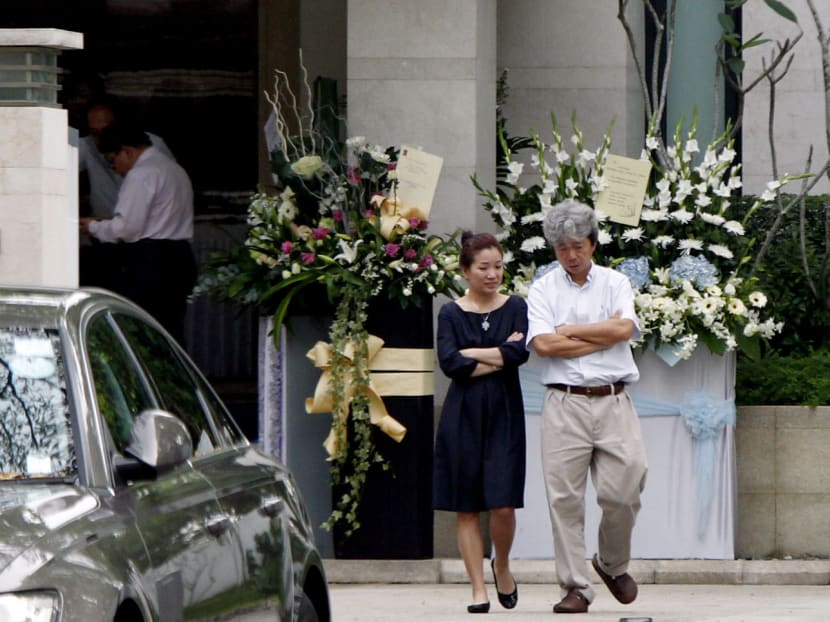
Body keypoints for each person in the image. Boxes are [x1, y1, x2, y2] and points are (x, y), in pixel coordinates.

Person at [525, 199, 648, 614]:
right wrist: (602, 335)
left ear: (592, 244)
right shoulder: (543, 288)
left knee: (626, 487)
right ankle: (576, 585)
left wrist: (573, 331)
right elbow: (544, 345)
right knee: (564, 499)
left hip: (613, 399)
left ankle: (611, 564)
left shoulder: (615, 282)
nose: (571, 255)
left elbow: (624, 329)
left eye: (578, 245)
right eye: (562, 248)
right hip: (564, 402)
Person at [433, 231, 530, 614]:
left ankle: (501, 564)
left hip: (505, 413)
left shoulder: (516, 306)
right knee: (468, 506)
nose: (493, 275)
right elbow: (451, 365)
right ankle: (477, 587)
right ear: (465, 270)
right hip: (463, 416)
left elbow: (518, 354)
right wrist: (496, 356)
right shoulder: (450, 312)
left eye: (498, 267)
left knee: (503, 504)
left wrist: (472, 352)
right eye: (484, 268)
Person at [79, 122, 197, 345]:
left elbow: (127, 229)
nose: (114, 168)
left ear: (127, 151)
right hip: (180, 256)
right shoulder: (174, 169)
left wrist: (93, 227)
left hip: (153, 261)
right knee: (171, 330)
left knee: (144, 331)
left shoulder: (141, 174)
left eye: (113, 161)